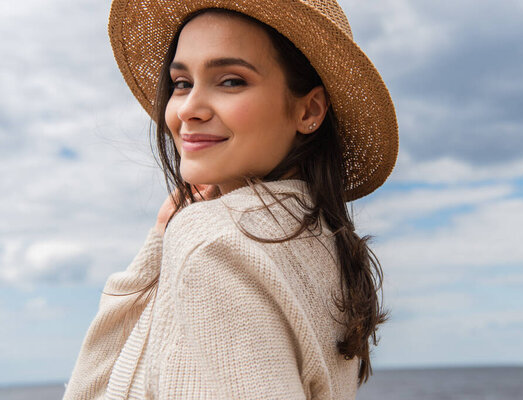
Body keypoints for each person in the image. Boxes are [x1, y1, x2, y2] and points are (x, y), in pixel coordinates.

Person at [63, 0, 398, 398]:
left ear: (309, 109)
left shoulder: (215, 244)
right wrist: (159, 243)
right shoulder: (326, 244)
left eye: (231, 81)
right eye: (181, 83)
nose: (189, 109)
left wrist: (181, 238)